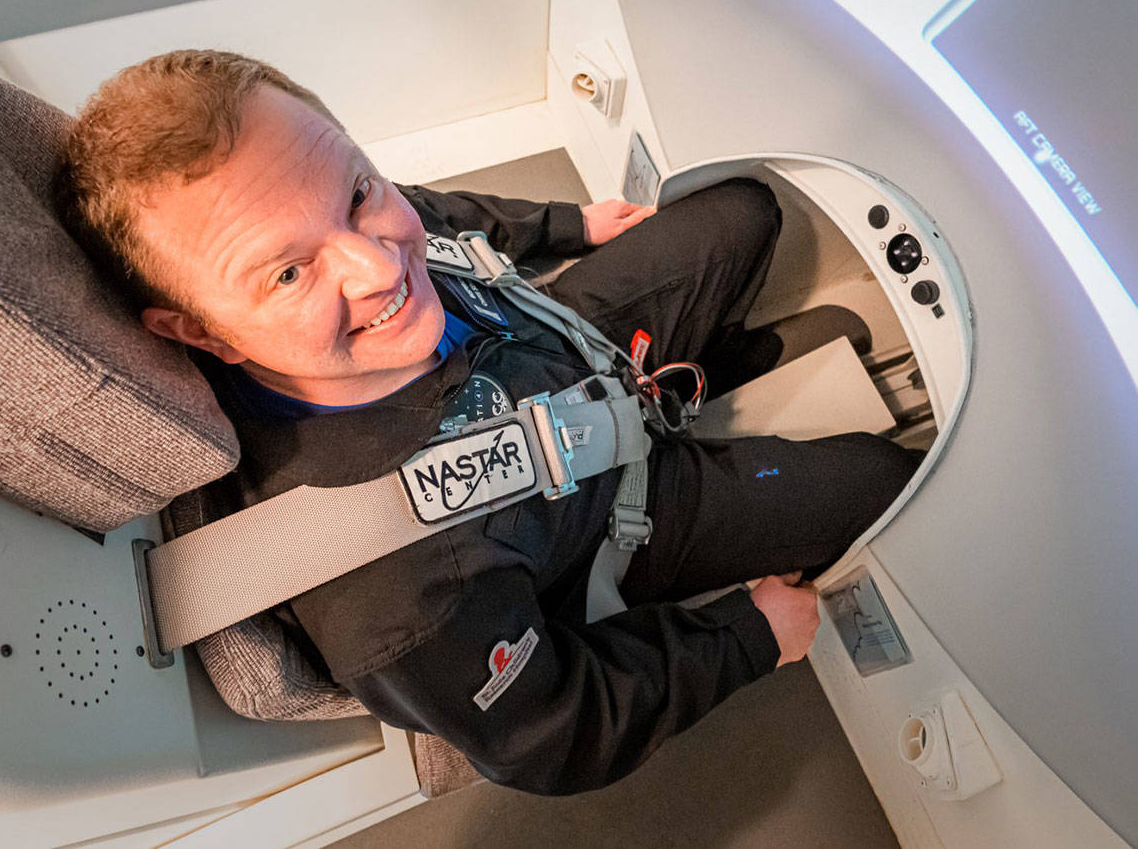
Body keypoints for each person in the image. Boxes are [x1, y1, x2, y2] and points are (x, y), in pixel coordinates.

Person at [61, 50, 917, 794]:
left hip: (561, 343)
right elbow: (555, 735)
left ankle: (698, 375)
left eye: (358, 192)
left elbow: (429, 218)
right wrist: (747, 638)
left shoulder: (346, 220)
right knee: (883, 482)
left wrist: (566, 225)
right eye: (288, 274)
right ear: (200, 331)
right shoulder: (400, 599)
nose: (376, 264)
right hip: (623, 510)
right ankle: (701, 418)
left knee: (745, 212)